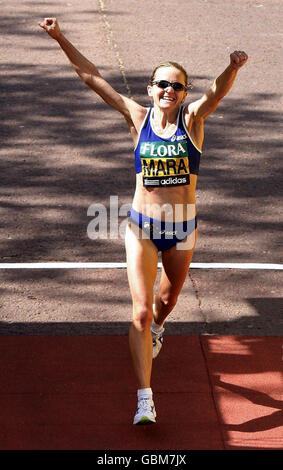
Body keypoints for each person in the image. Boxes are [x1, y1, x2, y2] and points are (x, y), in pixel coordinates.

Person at [39, 18, 248, 425]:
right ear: (151, 89)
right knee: (139, 312)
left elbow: (215, 94)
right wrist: (60, 37)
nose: (168, 91)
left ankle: (157, 328)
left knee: (164, 305)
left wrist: (232, 68)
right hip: (142, 228)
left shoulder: (193, 122)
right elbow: (92, 79)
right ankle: (144, 398)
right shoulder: (137, 117)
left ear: (184, 92)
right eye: (162, 84)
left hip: (183, 230)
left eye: (176, 86)